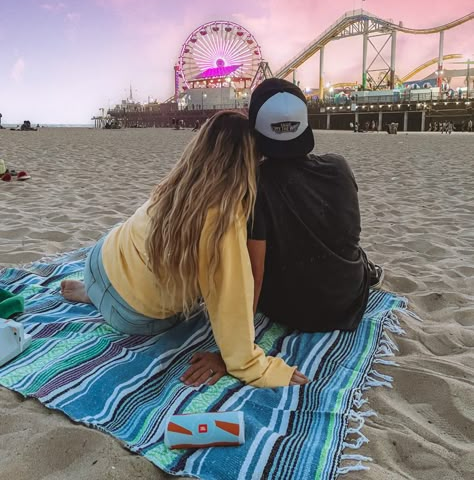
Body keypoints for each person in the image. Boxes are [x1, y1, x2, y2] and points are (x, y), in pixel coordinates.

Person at [61, 111, 306, 389]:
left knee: (139, 238)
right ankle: (106, 301)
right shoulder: (225, 218)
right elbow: (231, 297)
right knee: (189, 306)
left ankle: (95, 292)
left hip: (97, 262)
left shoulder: (176, 184)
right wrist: (250, 364)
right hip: (132, 318)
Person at [188, 79, 381, 382]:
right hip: (349, 302)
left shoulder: (256, 186)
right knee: (353, 253)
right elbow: (348, 231)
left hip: (296, 311)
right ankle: (368, 271)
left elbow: (255, 272)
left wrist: (232, 353)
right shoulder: (339, 167)